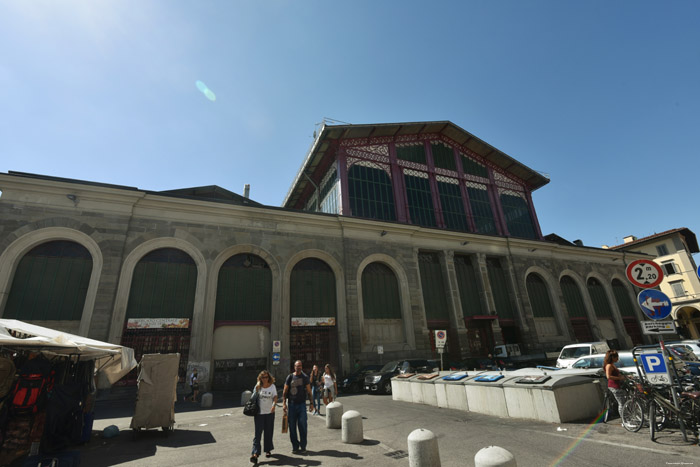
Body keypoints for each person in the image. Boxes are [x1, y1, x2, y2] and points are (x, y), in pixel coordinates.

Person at [282, 360, 315, 454]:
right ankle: (295, 446)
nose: (299, 367)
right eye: (297, 366)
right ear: (294, 367)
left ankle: (303, 446)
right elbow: (285, 392)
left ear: (302, 367)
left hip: (301, 405)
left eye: (300, 366)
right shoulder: (290, 377)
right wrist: (284, 404)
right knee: (292, 427)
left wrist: (311, 403)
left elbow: (309, 391)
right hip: (291, 405)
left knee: (303, 425)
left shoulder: (305, 377)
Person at [250, 370, 277, 464]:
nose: (265, 379)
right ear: (260, 378)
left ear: (269, 378)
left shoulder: (272, 386)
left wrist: (274, 405)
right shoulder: (258, 386)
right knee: (257, 434)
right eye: (263, 377)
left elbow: (275, 397)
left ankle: (268, 449)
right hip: (259, 414)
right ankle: (255, 454)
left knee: (268, 432)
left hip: (270, 413)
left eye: (266, 377)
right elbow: (252, 399)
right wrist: (256, 390)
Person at [604, 349, 627, 414]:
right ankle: (624, 419)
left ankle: (626, 418)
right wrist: (620, 378)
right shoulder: (609, 366)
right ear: (613, 358)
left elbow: (617, 373)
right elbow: (608, 376)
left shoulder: (612, 364)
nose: (618, 358)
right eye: (617, 357)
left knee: (623, 401)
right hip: (614, 386)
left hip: (617, 385)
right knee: (621, 403)